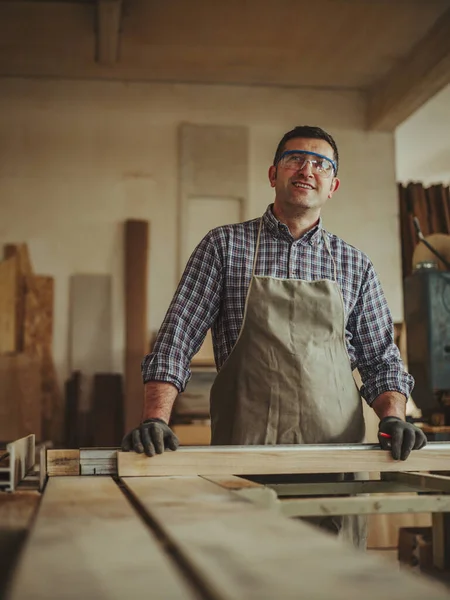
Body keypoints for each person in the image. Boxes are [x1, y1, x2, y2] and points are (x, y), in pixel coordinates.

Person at [122, 125, 427, 544]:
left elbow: (381, 359)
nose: (307, 169)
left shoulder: (355, 265)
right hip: (246, 460)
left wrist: (394, 415)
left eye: (320, 164)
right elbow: (177, 338)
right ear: (273, 174)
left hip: (334, 467)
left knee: (334, 578)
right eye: (295, 158)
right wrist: (155, 419)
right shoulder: (224, 246)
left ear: (332, 185)